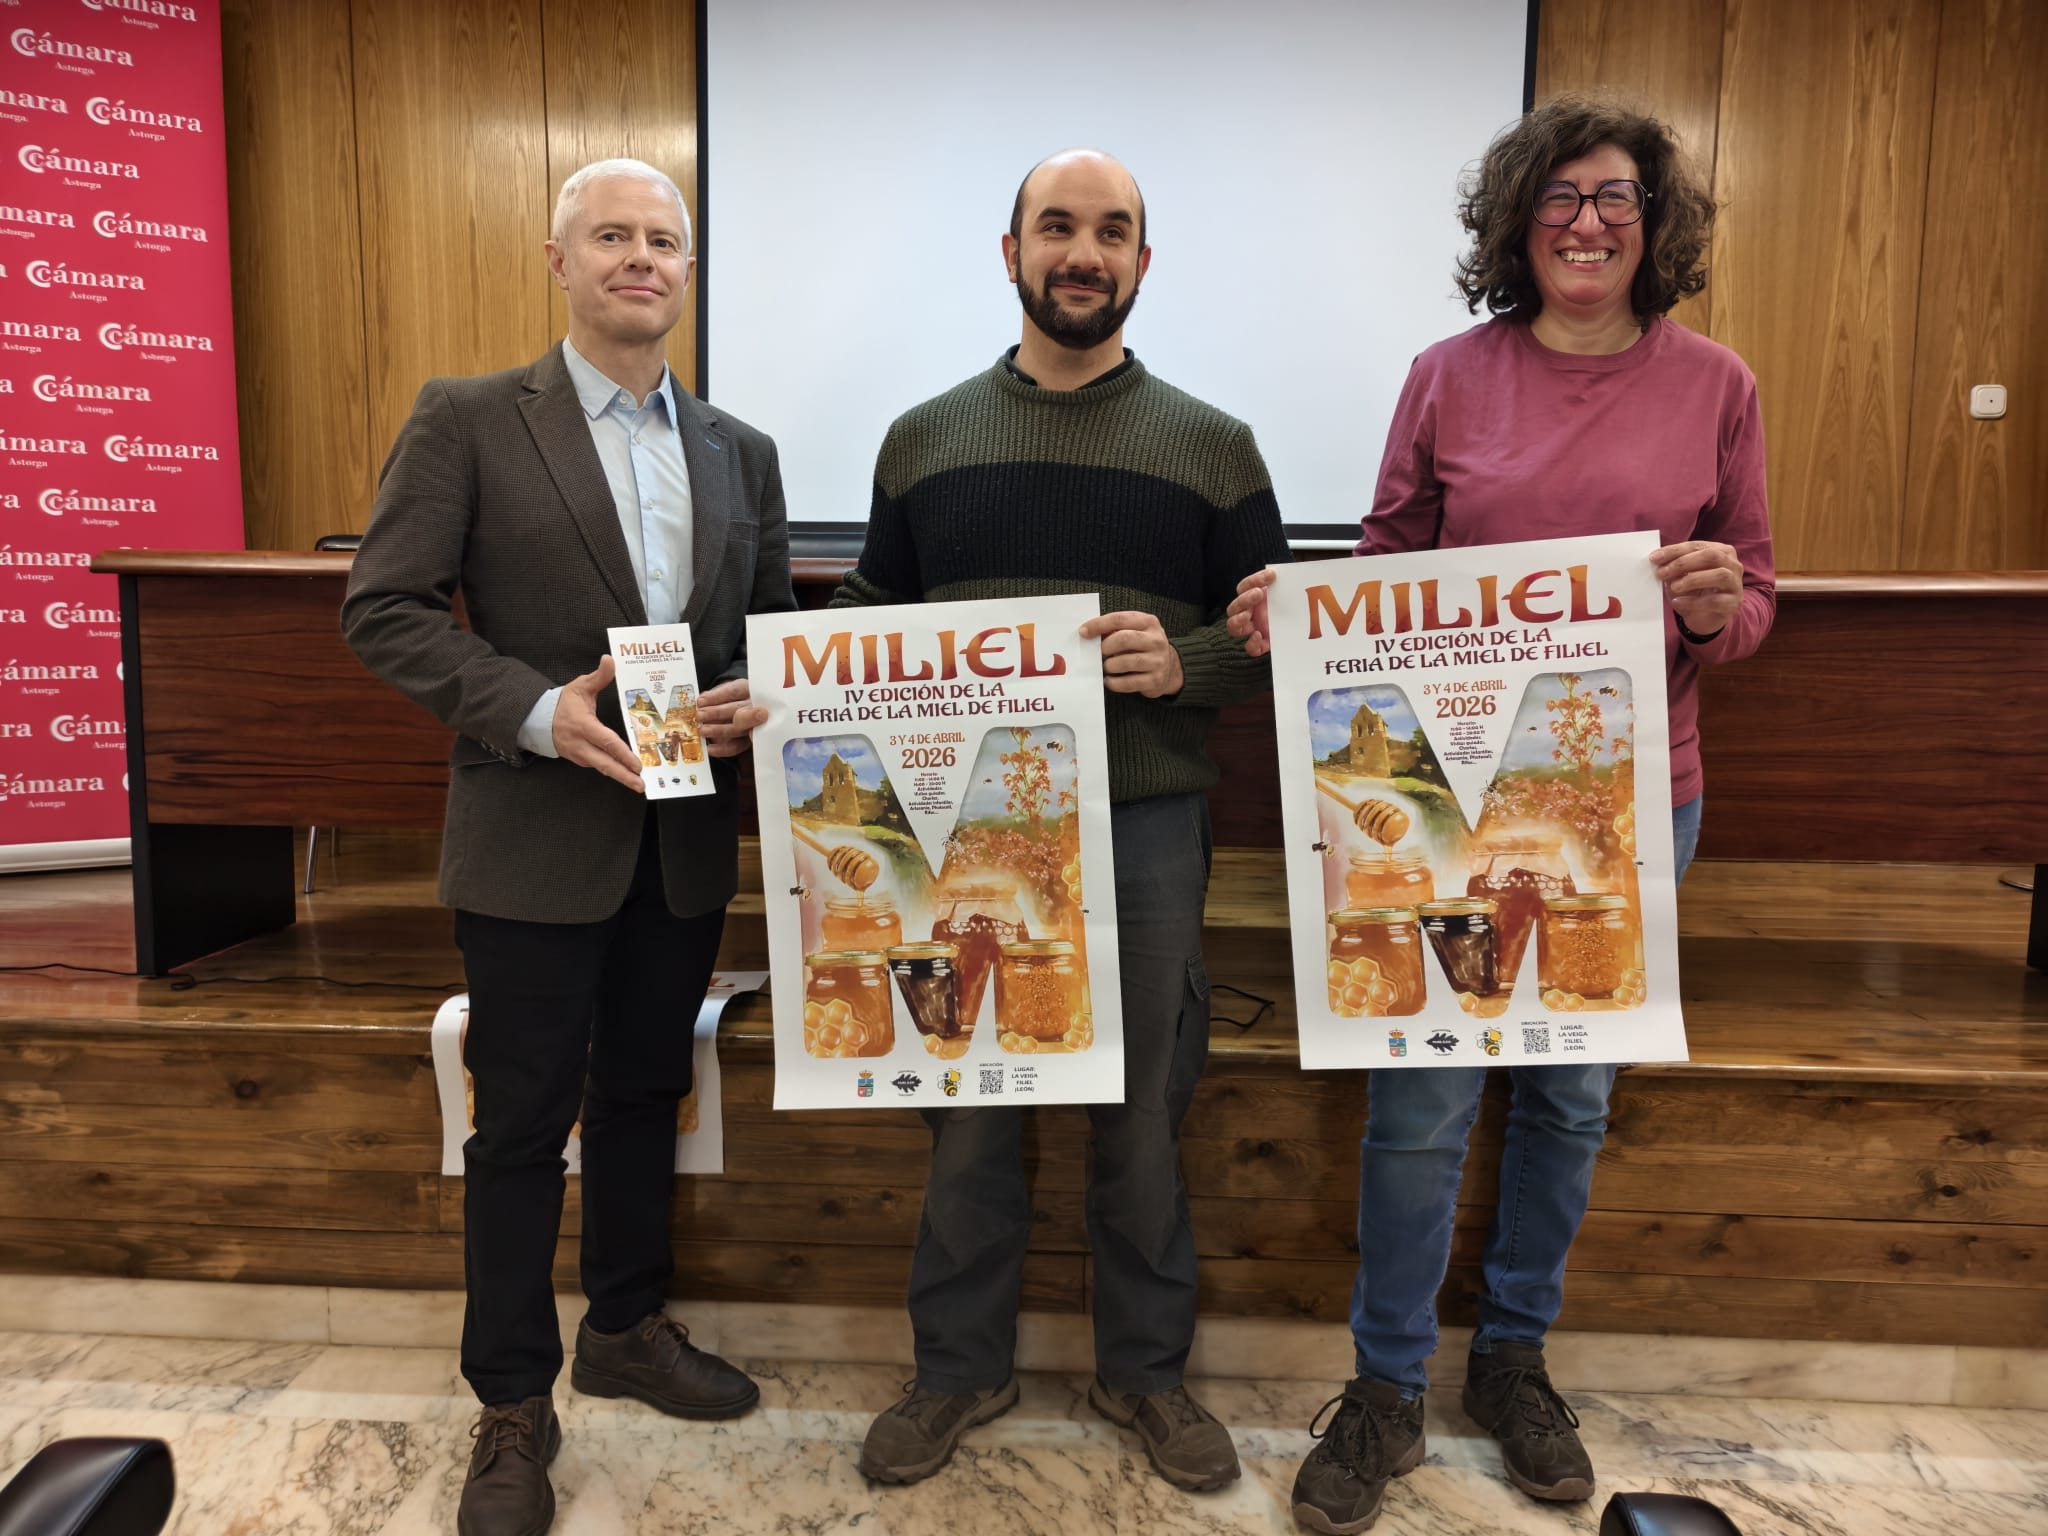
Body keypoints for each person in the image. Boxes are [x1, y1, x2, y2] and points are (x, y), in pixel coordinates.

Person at [1229, 95, 1775, 1533]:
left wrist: (1723, 612)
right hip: (1447, 803)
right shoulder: (1445, 375)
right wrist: (1312, 610)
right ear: (1515, 221)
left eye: (1617, 201)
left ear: (1655, 227)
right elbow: (1386, 564)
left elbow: (1756, 591)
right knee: (1417, 1104)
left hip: (1632, 800)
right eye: (1561, 199)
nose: (1588, 223)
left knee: (1570, 1102)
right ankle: (1388, 1387)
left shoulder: (1717, 383)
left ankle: (1514, 1362)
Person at [739, 147, 1291, 1493]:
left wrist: (1192, 663)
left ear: (1143, 266)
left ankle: (1146, 1374)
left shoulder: (1216, 446)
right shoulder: (924, 438)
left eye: (1113, 232)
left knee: (1143, 1109)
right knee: (969, 1103)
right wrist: (777, 685)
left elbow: (1272, 631)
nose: (1083, 252)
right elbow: (870, 615)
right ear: (1012, 252)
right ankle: (957, 1369)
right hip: (959, 837)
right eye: (1058, 226)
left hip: (1147, 822)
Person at [343, 157, 793, 1536]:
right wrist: (534, 712)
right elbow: (386, 609)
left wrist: (745, 697)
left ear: (686, 269)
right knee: (523, 1121)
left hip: (679, 844)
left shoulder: (740, 450)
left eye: (665, 239)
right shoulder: (470, 420)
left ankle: (628, 1329)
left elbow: (762, 626)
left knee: (651, 1091)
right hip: (534, 837)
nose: (641, 258)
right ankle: (512, 1405)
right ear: (559, 260)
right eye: (613, 235)